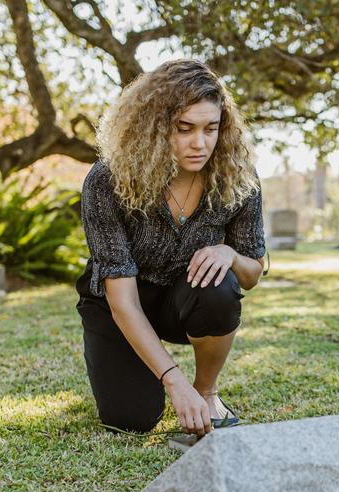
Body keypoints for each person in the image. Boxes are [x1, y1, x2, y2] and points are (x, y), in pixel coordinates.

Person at [75, 59, 266, 437]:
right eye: (184, 129)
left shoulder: (238, 179)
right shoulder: (107, 181)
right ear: (155, 128)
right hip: (122, 305)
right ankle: (151, 381)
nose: (200, 143)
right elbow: (123, 302)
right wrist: (173, 382)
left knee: (220, 286)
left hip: (185, 297)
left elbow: (253, 271)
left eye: (211, 128)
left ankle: (207, 391)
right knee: (131, 420)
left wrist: (229, 255)